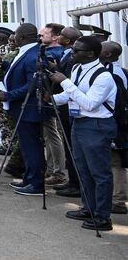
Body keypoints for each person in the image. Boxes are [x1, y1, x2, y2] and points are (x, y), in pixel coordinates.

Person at [50, 36, 117, 231]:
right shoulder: (78, 69)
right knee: (83, 169)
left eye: (76, 50)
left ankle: (103, 217)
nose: (72, 53)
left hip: (97, 125)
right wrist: (51, 99)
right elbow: (71, 96)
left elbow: (89, 103)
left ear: (90, 54)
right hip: (79, 123)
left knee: (99, 173)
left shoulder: (103, 76)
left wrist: (65, 83)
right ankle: (89, 208)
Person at [0, 23, 49, 196]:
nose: (14, 38)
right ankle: (28, 178)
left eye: (17, 35)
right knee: (27, 148)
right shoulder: (27, 52)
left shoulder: (33, 55)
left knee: (32, 147)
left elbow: (32, 85)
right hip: (21, 108)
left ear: (23, 37)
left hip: (29, 108)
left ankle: (36, 183)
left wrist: (9, 95)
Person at [53, 26, 84, 198]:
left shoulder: (74, 59)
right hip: (64, 103)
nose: (58, 38)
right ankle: (72, 181)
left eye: (62, 36)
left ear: (70, 40)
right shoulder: (66, 54)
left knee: (72, 146)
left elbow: (70, 81)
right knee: (68, 143)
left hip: (70, 107)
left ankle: (76, 183)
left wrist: (61, 79)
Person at [100, 41, 127, 215]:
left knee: (116, 162)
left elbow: (119, 103)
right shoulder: (114, 70)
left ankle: (118, 200)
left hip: (117, 123)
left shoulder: (114, 73)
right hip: (115, 122)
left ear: (108, 54)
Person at [40, 23, 68, 187]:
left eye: (45, 34)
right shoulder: (48, 51)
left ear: (55, 36)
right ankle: (51, 169)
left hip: (53, 97)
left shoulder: (56, 53)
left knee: (53, 135)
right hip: (49, 97)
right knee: (49, 135)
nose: (41, 36)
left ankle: (58, 171)